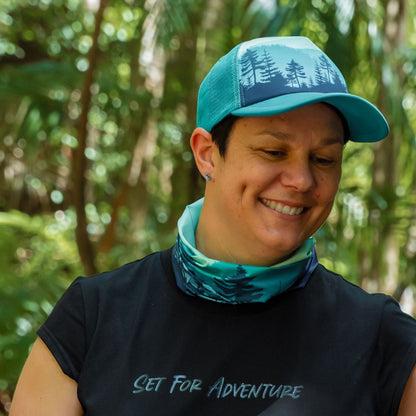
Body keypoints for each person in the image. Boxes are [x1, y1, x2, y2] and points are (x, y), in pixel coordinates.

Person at [9, 36, 416, 416]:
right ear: (207, 155)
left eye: (324, 159)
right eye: (274, 151)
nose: (302, 180)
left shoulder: (383, 339)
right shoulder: (93, 317)